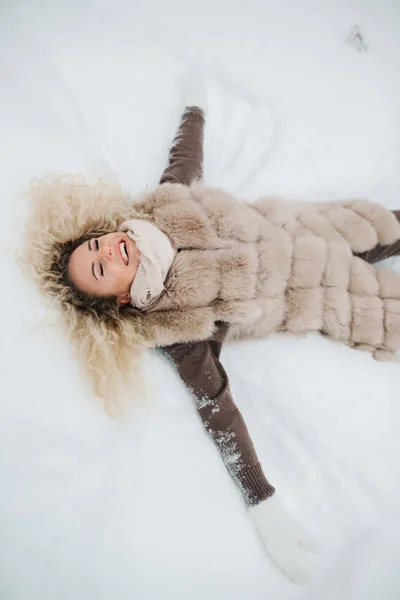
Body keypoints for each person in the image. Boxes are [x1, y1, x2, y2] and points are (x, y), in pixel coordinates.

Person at [21, 81, 400, 584]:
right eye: (98, 269)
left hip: (315, 226)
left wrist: (194, 107)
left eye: (97, 246)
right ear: (116, 298)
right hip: (328, 293)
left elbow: (186, 158)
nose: (107, 253)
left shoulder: (162, 206)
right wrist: (263, 503)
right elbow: (220, 413)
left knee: (388, 225)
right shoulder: (176, 327)